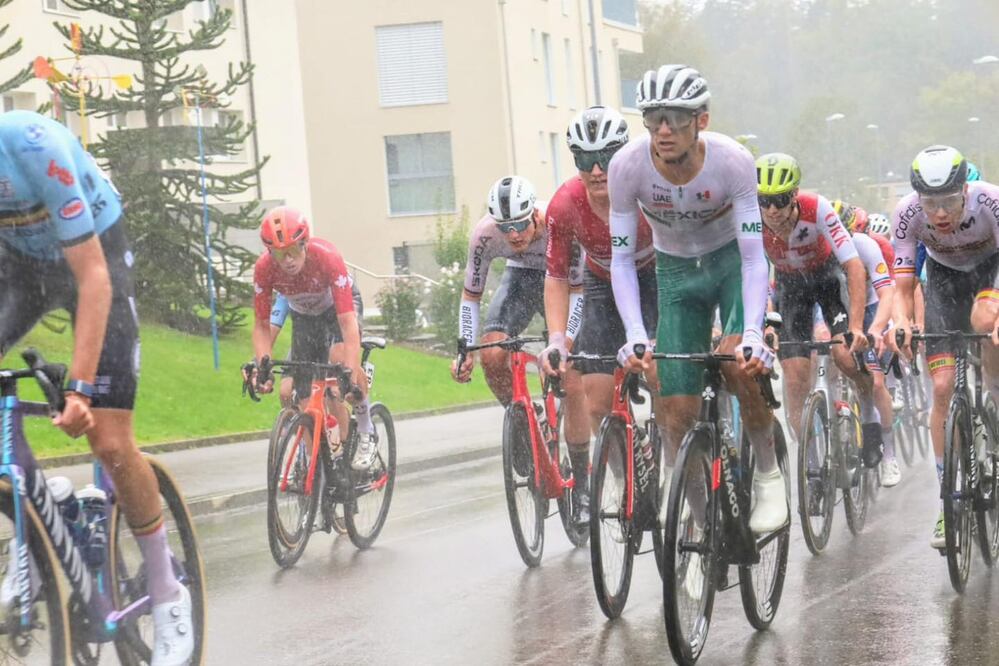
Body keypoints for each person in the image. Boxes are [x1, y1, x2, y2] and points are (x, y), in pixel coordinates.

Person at [0, 111, 192, 665]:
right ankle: (41, 506)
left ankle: (166, 591)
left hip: (96, 258)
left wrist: (81, 390)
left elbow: (93, 279)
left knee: (108, 442)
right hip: (21, 269)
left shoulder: (35, 147)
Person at [609, 64, 785, 534]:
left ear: (701, 120)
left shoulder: (733, 161)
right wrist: (635, 334)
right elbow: (621, 261)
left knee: (737, 360)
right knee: (675, 406)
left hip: (731, 264)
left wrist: (753, 332)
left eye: (675, 118)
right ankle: (703, 521)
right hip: (676, 272)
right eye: (653, 118)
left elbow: (755, 258)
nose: (663, 129)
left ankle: (768, 474)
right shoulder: (627, 167)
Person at [540, 105, 660, 515]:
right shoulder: (564, 205)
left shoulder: (647, 189)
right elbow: (557, 277)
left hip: (656, 277)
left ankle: (674, 453)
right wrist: (557, 339)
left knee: (661, 375)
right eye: (584, 159)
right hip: (602, 283)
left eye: (606, 158)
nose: (596, 170)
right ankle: (626, 482)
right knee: (596, 401)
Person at [450, 176, 590, 517]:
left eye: (520, 224)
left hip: (564, 282)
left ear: (535, 216)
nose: (513, 235)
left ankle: (583, 484)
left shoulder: (559, 223)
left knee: (570, 374)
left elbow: (578, 295)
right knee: (492, 354)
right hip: (521, 278)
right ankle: (524, 423)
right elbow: (471, 296)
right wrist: (465, 348)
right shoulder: (485, 235)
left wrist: (564, 343)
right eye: (505, 227)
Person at [891, 145, 999, 548]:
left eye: (949, 202)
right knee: (941, 387)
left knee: (985, 321)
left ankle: (994, 393)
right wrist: (902, 322)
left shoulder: (990, 200)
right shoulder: (906, 212)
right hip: (943, 279)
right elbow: (903, 286)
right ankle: (948, 501)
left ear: (965, 190)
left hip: (991, 269)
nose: (939, 214)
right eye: (930, 203)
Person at [754, 155, 885, 477]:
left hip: (828, 281)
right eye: (764, 201)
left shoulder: (817, 208)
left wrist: (856, 326)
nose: (772, 210)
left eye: (779, 200)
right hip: (790, 289)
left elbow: (853, 265)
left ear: (794, 195)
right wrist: (765, 321)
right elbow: (753, 273)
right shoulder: (752, 219)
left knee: (845, 355)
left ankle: (870, 418)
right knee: (795, 377)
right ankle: (811, 463)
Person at [250, 206, 374, 470]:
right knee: (304, 395)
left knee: (341, 372)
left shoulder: (326, 256)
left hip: (338, 309)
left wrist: (351, 368)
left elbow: (347, 323)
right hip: (305, 317)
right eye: (279, 254)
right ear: (269, 253)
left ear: (305, 243)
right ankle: (316, 462)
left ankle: (366, 431)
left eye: (293, 251)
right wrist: (262, 365)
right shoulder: (263, 269)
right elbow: (262, 326)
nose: (288, 261)